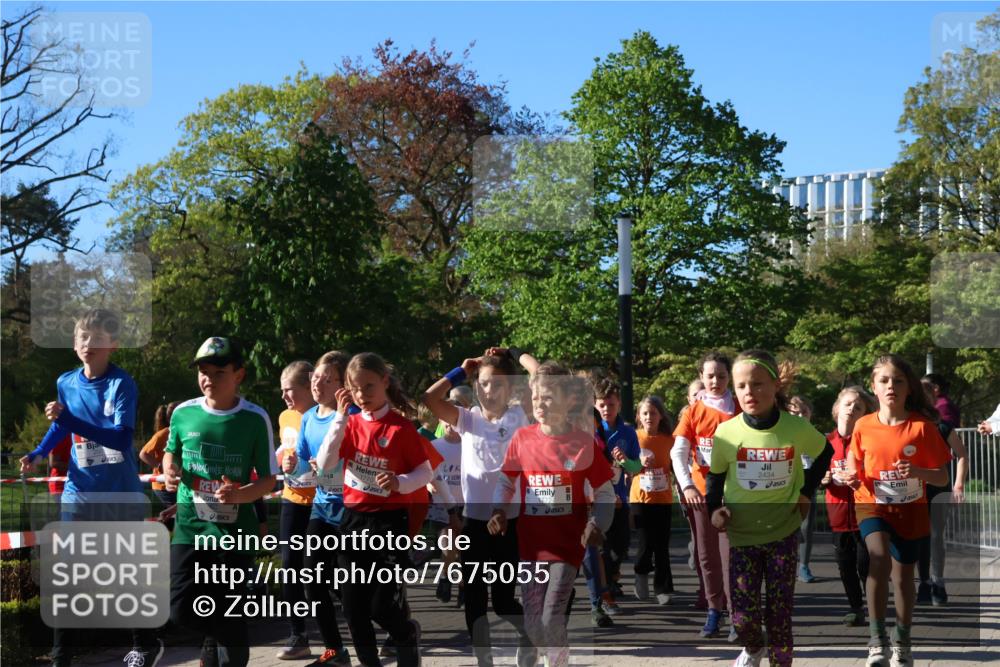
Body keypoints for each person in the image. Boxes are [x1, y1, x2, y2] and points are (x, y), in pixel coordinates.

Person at [20, 308, 163, 667]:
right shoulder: (66, 382)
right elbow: (63, 427)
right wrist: (39, 451)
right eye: (82, 337)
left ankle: (144, 644)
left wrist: (68, 419)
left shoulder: (121, 384)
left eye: (96, 338)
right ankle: (61, 657)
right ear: (74, 344)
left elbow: (120, 439)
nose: (88, 344)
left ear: (112, 344)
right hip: (78, 493)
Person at [707, 350, 833, 667]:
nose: (750, 392)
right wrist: (714, 510)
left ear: (775, 385)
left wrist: (805, 493)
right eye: (742, 386)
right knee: (742, 619)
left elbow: (825, 453)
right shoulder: (727, 432)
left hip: (783, 533)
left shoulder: (796, 428)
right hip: (742, 536)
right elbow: (715, 476)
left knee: (780, 614)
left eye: (758, 384)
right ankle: (753, 647)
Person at [488, 362, 615, 667]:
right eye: (535, 398)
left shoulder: (583, 443)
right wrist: (498, 510)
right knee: (533, 622)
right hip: (532, 545)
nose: (540, 404)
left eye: (547, 397)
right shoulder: (522, 439)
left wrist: (598, 523)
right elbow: (507, 480)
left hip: (567, 546)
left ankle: (556, 662)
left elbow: (605, 492)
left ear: (569, 399)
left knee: (551, 615)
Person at [163, 336, 278, 667]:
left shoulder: (255, 418)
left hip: (234, 532)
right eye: (203, 371)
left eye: (218, 372)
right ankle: (214, 636)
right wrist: (170, 471)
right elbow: (171, 454)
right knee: (180, 609)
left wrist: (240, 495)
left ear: (238, 375)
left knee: (229, 613)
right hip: (190, 526)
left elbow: (269, 480)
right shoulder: (184, 413)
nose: (208, 379)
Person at [422, 347, 539, 667]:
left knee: (502, 602)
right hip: (474, 521)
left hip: (509, 520)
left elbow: (541, 379)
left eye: (498, 384)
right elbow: (430, 399)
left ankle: (528, 634)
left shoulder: (519, 416)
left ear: (510, 388)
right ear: (476, 387)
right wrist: (461, 370)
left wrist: (516, 354)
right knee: (473, 598)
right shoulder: (467, 418)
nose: (489, 390)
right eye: (484, 383)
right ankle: (483, 659)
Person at [314, 352, 428, 667]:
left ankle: (405, 636)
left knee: (380, 607)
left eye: (369, 386)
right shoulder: (348, 424)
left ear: (385, 382)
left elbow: (425, 473)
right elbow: (325, 465)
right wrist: (339, 416)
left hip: (389, 523)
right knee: (352, 607)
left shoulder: (401, 428)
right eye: (356, 388)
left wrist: (399, 482)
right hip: (353, 521)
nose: (363, 395)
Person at [843, 354, 952, 667]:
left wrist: (918, 471)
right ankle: (877, 642)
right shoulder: (863, 425)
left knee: (903, 576)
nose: (891, 386)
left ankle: (902, 642)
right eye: (884, 380)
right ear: (874, 388)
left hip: (910, 510)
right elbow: (854, 458)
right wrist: (852, 474)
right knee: (877, 557)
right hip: (871, 503)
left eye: (898, 381)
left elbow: (942, 476)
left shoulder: (922, 427)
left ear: (909, 388)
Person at [284, 352, 353, 666]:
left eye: (328, 379)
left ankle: (398, 629)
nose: (318, 384)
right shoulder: (309, 417)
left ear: (342, 384)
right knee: (312, 581)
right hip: (322, 508)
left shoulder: (353, 417)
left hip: (354, 512)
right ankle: (335, 652)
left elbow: (360, 465)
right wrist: (292, 466)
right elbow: (300, 466)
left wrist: (326, 470)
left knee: (354, 590)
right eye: (315, 378)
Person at [671, 352, 738, 639]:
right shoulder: (693, 411)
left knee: (731, 557)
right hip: (701, 494)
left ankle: (739, 615)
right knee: (707, 556)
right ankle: (714, 610)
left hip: (733, 495)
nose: (715, 381)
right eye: (710, 375)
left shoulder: (739, 407)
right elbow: (678, 452)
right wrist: (687, 486)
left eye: (721, 376)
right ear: (701, 376)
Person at [273, 360, 317, 660]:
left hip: (323, 502)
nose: (286, 397)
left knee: (320, 572)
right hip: (292, 498)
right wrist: (283, 461)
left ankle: (372, 621)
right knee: (290, 568)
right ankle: (298, 634)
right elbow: (284, 449)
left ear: (308, 388)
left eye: (290, 390)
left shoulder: (322, 416)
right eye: (282, 391)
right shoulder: (286, 416)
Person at [822, 386, 875, 626]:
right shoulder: (824, 443)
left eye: (858, 406)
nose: (852, 408)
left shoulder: (869, 441)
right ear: (837, 409)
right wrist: (821, 479)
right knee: (845, 567)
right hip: (838, 515)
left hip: (866, 513)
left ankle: (875, 605)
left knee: (866, 565)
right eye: (847, 404)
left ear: (865, 414)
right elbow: (811, 475)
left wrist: (861, 478)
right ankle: (855, 608)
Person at [916, 378, 968, 606]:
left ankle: (938, 581)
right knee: (917, 538)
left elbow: (962, 454)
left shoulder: (943, 427)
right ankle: (923, 582)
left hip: (939, 488)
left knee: (936, 537)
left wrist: (958, 485)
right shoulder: (906, 425)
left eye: (927, 394)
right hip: (912, 490)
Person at [631, 396, 675, 605]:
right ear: (639, 416)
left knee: (662, 545)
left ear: (661, 416)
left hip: (663, 498)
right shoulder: (633, 437)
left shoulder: (670, 439)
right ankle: (640, 573)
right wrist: (637, 462)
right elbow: (625, 464)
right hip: (640, 498)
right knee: (645, 543)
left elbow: (676, 465)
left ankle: (663, 588)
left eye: (653, 413)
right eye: (645, 413)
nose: (649, 417)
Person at [788, 395, 819, 584]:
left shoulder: (816, 435)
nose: (799, 416)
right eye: (794, 412)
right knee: (788, 527)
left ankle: (804, 565)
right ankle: (788, 563)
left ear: (810, 414)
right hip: (787, 485)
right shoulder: (783, 433)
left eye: (803, 412)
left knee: (807, 527)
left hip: (808, 483)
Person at [140, 401, 182, 531]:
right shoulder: (163, 434)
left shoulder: (183, 432)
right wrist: (160, 466)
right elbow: (143, 454)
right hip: (162, 485)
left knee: (174, 515)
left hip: (175, 482)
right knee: (175, 515)